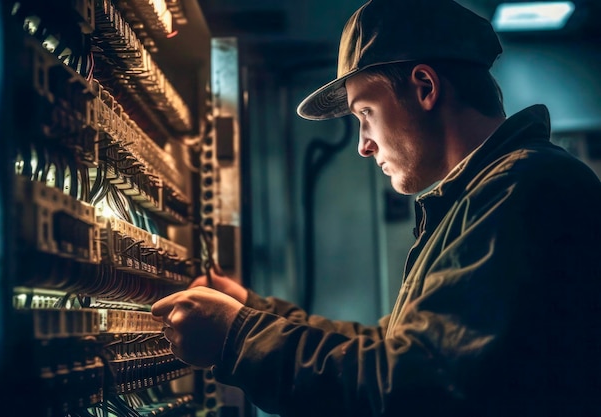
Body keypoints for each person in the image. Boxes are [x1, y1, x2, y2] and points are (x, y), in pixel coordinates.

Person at [151, 0, 601, 415]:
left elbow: (413, 387)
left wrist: (239, 338)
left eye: (365, 112)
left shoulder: (523, 190)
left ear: (424, 87)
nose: (364, 145)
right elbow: (393, 349)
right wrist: (252, 310)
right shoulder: (489, 192)